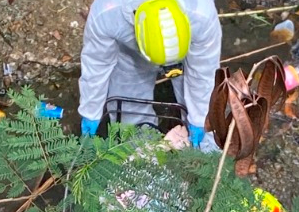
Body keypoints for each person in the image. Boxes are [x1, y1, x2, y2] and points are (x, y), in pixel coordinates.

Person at [79, 0, 222, 146]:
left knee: (208, 128)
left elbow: (204, 75)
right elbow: (97, 63)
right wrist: (91, 110)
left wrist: (200, 119)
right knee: (130, 119)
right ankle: (142, 158)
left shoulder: (201, 14)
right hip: (133, 56)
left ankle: (208, 156)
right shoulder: (108, 13)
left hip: (185, 55)